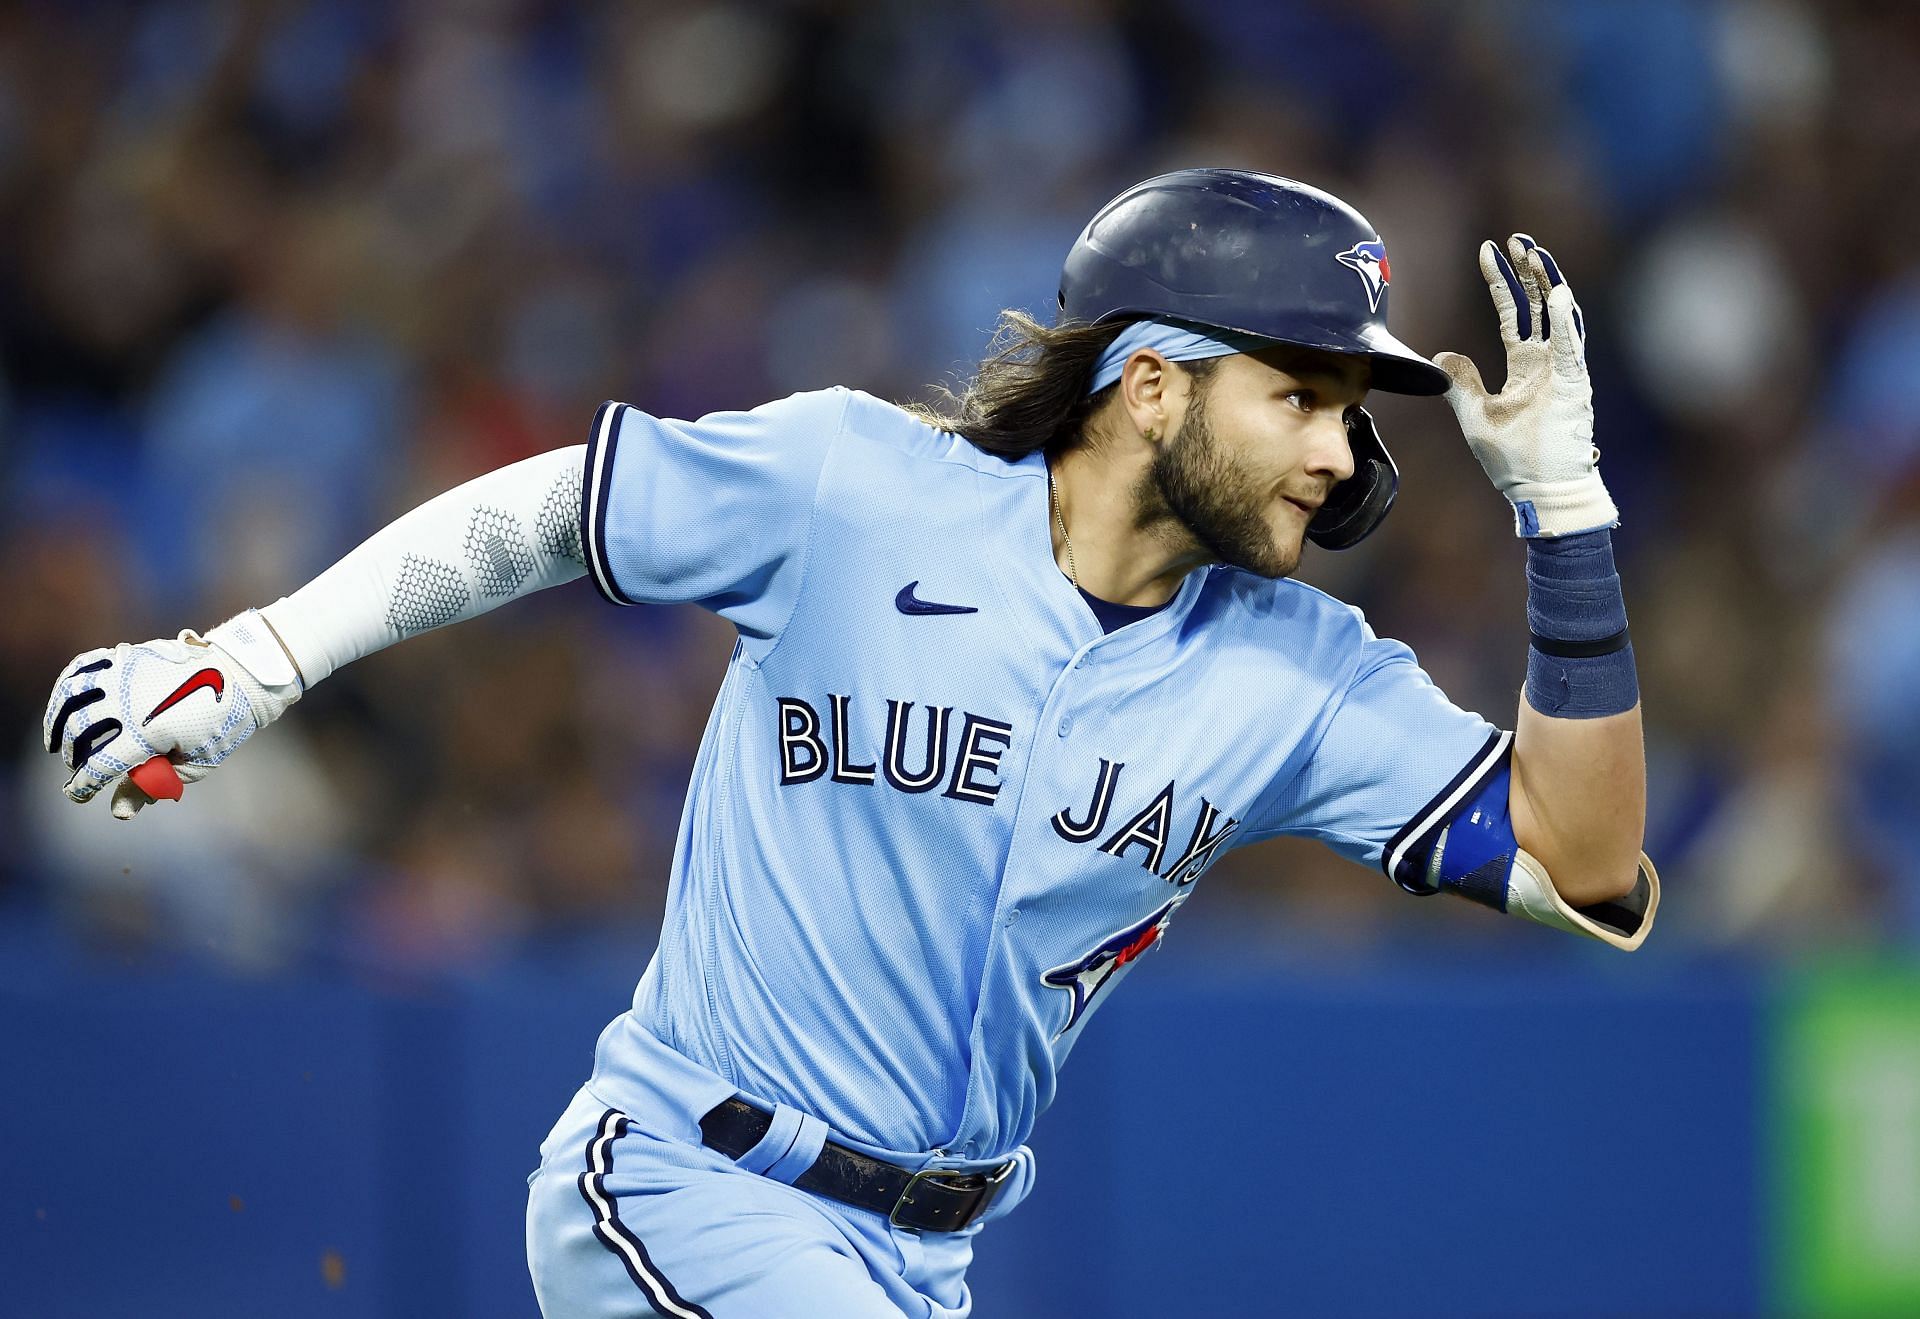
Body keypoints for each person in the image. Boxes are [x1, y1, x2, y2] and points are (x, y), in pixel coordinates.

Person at [41, 169, 1657, 1318]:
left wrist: (1564, 511)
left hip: (921, 1263)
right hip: (689, 1183)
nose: (1341, 448)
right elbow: (554, 512)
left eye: (1350, 412)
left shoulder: (1301, 673)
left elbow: (1585, 863)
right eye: (1302, 394)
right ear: (1150, 384)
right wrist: (259, 655)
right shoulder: (853, 483)